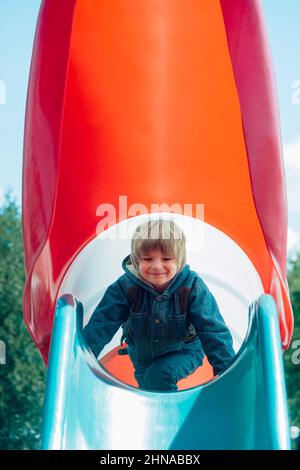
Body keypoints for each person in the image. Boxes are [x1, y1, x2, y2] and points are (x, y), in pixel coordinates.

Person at [84, 218, 235, 392]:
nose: (157, 266)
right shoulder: (126, 287)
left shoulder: (191, 286)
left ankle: (172, 418)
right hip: (141, 356)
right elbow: (102, 324)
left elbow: (212, 329)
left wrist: (227, 374)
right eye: (148, 259)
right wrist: (82, 360)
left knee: (160, 375)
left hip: (185, 351)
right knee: (149, 388)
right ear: (136, 260)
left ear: (179, 260)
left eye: (166, 258)